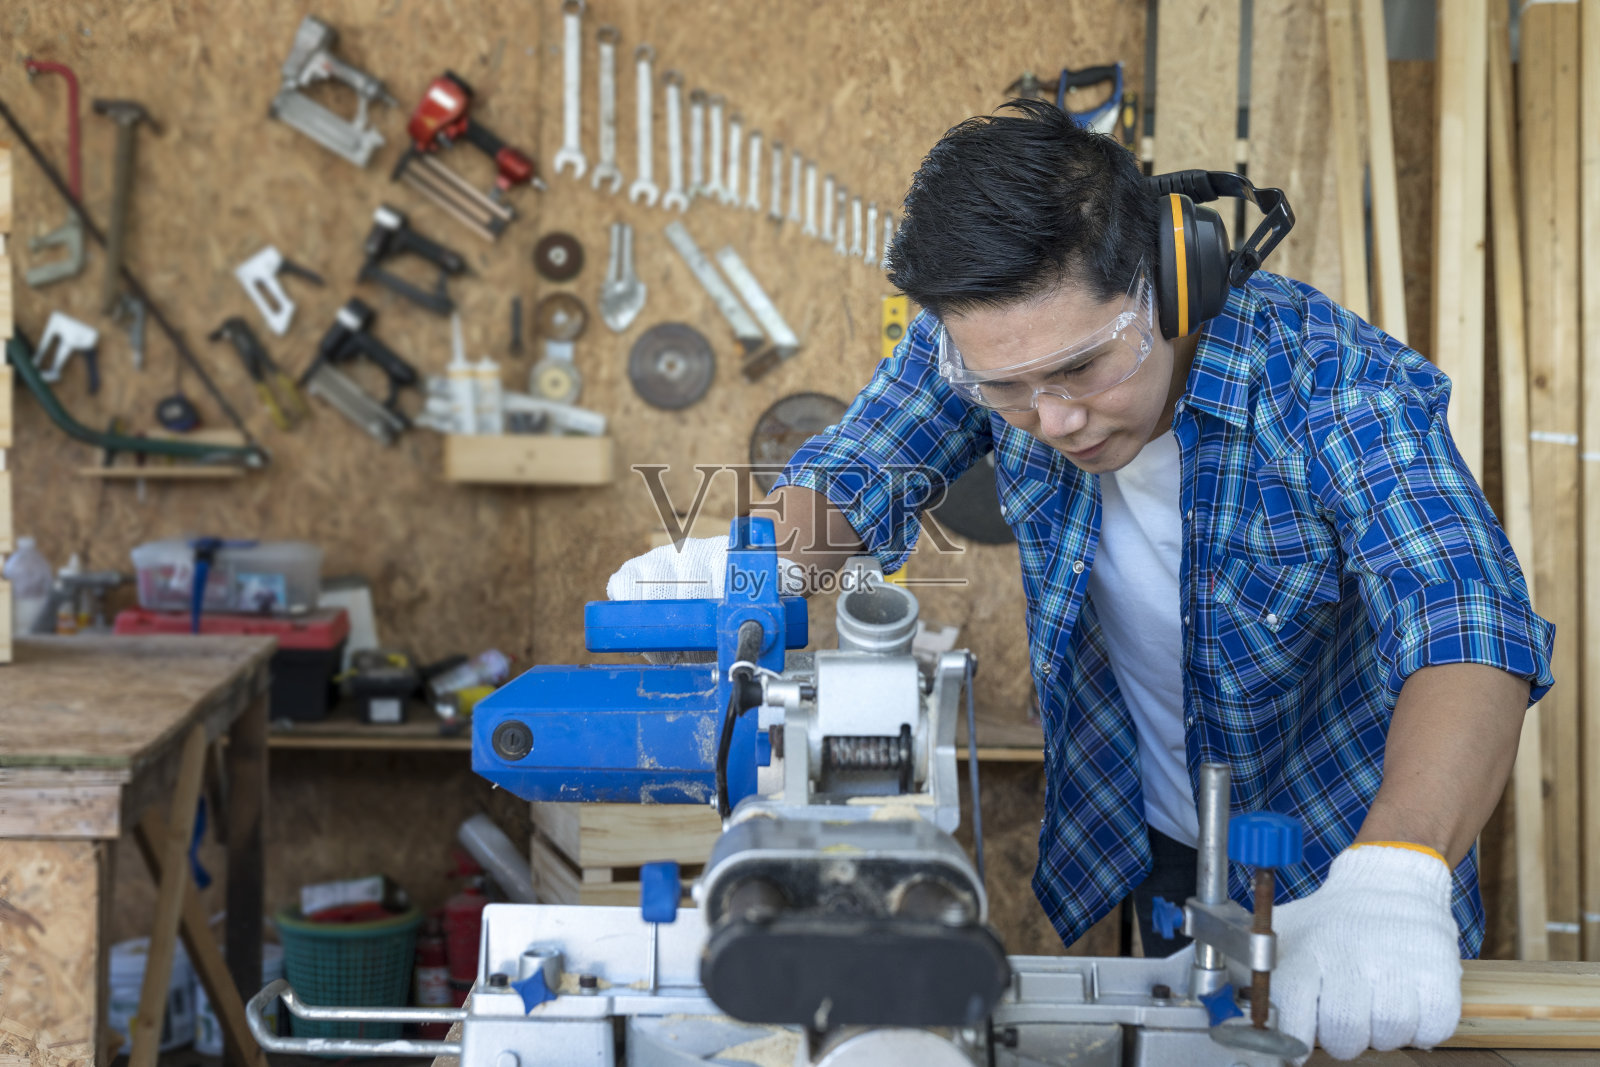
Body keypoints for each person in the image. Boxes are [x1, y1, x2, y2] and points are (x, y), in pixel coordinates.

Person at [608, 99, 1554, 1059]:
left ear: (1175, 281)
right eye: (1007, 391)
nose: (1052, 419)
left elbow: (1465, 614)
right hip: (1157, 831)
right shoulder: (989, 348)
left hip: (1350, 843)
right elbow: (859, 474)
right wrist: (748, 565)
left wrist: (1398, 873)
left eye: (1085, 367)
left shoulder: (1332, 382)